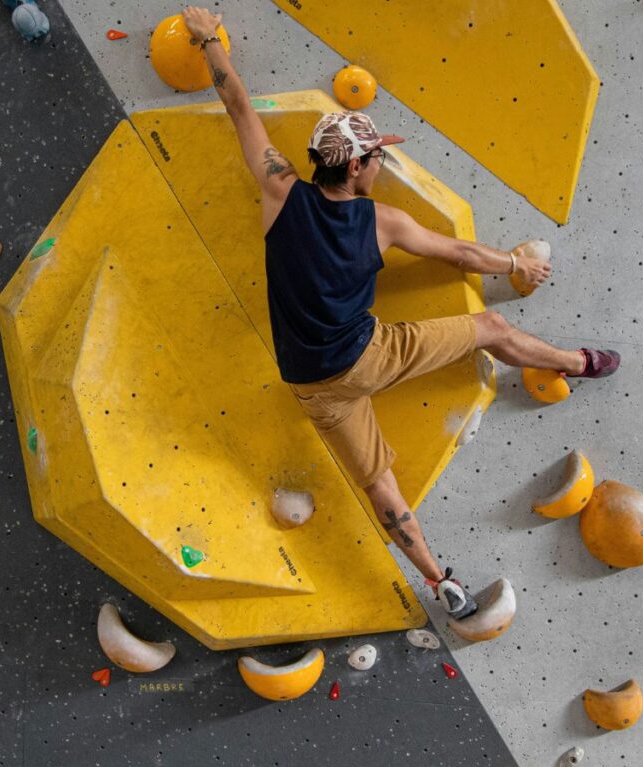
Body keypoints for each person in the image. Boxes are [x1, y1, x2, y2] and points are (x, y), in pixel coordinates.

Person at [181, 6, 620, 619]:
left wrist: (205, 36)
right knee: (489, 328)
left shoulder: (280, 191)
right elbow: (462, 253)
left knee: (377, 484)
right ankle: (579, 361)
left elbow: (240, 109)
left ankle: (441, 581)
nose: (382, 164)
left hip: (312, 386)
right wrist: (515, 267)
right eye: (377, 157)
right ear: (356, 166)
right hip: (370, 355)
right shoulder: (382, 221)